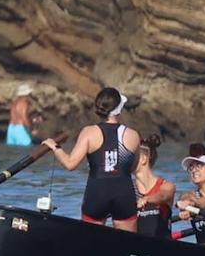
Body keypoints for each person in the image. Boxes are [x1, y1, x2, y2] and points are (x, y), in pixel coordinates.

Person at [42, 88, 141, 231]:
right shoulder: (133, 135)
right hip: (123, 193)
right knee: (128, 246)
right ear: (119, 109)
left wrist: (55, 146)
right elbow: (134, 167)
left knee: (91, 244)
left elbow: (70, 164)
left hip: (97, 192)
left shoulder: (89, 133)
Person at [133, 134, 176, 238]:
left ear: (143, 159)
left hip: (161, 248)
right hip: (135, 249)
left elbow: (162, 196)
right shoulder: (126, 188)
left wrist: (147, 199)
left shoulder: (167, 186)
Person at [175, 151, 205, 241]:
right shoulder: (191, 195)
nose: (194, 170)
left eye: (199, 166)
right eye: (191, 167)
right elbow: (185, 198)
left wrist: (195, 204)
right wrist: (187, 204)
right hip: (204, 248)